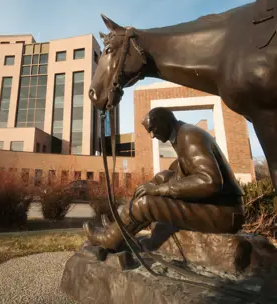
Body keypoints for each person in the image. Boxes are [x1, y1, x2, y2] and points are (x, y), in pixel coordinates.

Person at [84, 107, 245, 250]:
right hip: (215, 207)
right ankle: (119, 226)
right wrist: (160, 181)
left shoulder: (189, 136)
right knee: (163, 176)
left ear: (164, 121)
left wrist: (159, 189)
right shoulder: (182, 135)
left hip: (223, 212)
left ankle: (109, 240)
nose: (153, 135)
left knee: (146, 204)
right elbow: (184, 172)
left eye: (153, 129)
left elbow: (210, 181)